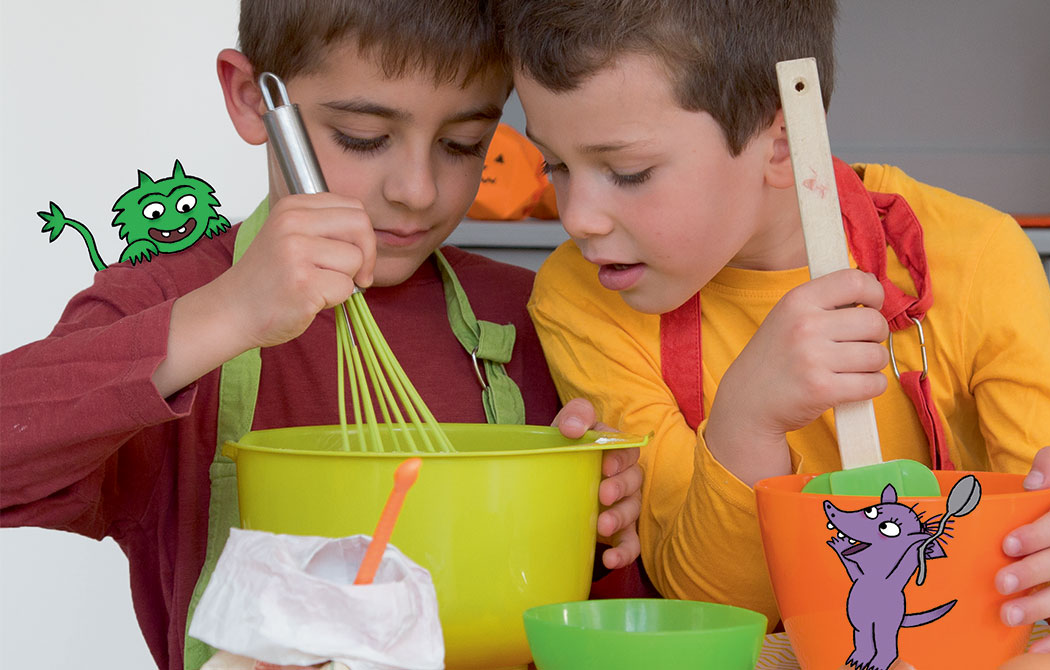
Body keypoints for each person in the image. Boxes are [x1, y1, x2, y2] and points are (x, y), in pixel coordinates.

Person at [496, 0, 1050, 656]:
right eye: (555, 164)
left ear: (780, 144)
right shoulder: (583, 299)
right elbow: (712, 602)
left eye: (627, 171)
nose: (578, 214)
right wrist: (745, 422)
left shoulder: (972, 257)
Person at [0, 2, 643, 670]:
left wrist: (596, 545)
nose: (418, 190)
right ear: (254, 101)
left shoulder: (535, 314)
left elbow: (618, 626)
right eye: (364, 136)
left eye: (463, 144)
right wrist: (228, 313)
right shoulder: (170, 306)